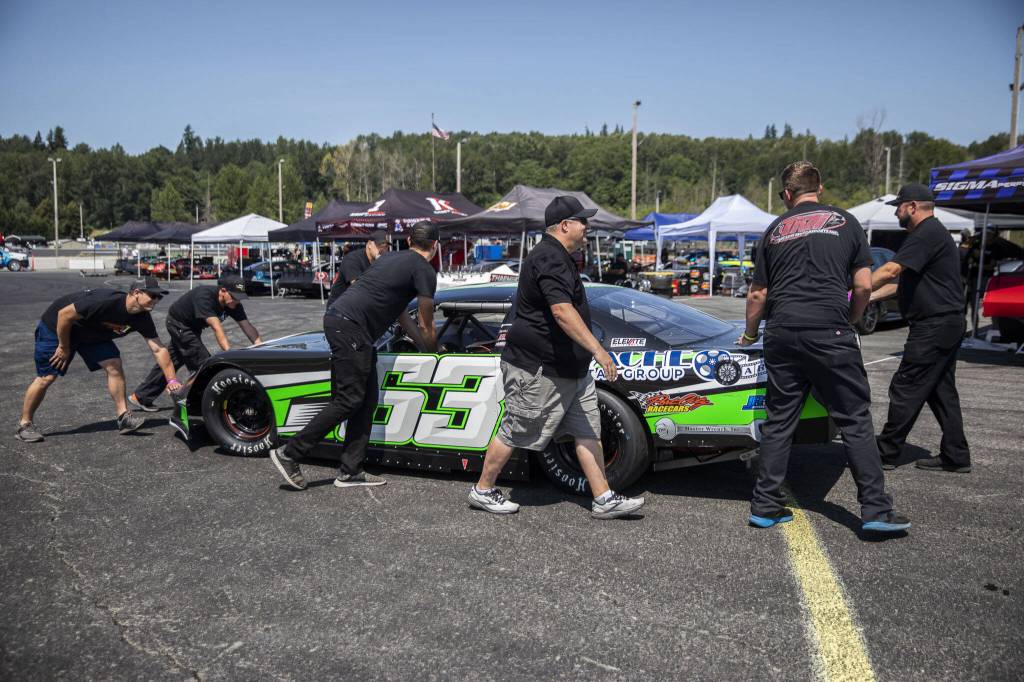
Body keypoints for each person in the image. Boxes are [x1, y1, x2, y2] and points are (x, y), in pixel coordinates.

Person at [737, 161, 909, 534]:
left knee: (780, 421)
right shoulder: (845, 222)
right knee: (855, 420)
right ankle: (876, 511)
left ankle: (765, 506)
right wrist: (852, 319)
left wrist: (750, 334)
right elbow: (863, 286)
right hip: (830, 332)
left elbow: (758, 294)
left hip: (781, 333)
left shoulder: (774, 229)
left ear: (786, 194)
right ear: (821, 188)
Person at [468, 196, 645, 519]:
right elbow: (562, 312)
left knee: (588, 430)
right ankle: (482, 489)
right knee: (516, 428)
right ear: (565, 226)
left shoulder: (561, 257)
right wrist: (599, 350)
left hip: (570, 368)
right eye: (583, 222)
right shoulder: (548, 257)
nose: (587, 228)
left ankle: (603, 498)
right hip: (539, 368)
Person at [268, 221, 439, 490]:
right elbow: (426, 323)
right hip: (352, 327)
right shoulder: (424, 271)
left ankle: (350, 470)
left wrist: (421, 346)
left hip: (342, 322)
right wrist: (434, 349)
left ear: (408, 241)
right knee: (349, 398)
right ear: (436, 246)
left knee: (365, 399)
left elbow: (399, 313)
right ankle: (289, 452)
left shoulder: (391, 258)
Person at [870, 184, 971, 473]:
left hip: (934, 326)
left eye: (899, 207)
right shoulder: (932, 234)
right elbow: (902, 283)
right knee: (941, 391)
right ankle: (956, 455)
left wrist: (854, 288)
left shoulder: (926, 233)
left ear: (912, 206)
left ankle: (886, 451)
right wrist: (868, 297)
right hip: (946, 323)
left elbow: (890, 271)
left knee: (906, 386)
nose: (897, 213)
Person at [16, 277, 180, 442]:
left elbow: (158, 348)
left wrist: (172, 380)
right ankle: (25, 424)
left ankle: (124, 418)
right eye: (153, 296)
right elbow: (64, 315)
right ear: (136, 293)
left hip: (90, 332)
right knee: (47, 377)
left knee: (114, 364)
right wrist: (64, 347)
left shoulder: (142, 317)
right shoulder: (105, 301)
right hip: (58, 327)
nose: (157, 300)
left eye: (160, 297)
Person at [129, 276, 262, 410]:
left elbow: (247, 326)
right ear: (223, 291)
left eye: (240, 297)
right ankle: (188, 400)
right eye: (234, 296)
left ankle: (140, 397)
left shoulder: (234, 304)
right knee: (203, 363)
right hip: (179, 324)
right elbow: (217, 328)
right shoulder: (205, 296)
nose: (237, 301)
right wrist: (229, 354)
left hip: (193, 327)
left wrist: (261, 347)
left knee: (172, 361)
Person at [326, 230, 390, 307]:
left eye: (386, 246)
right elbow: (359, 287)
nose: (383, 249)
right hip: (339, 311)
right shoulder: (352, 259)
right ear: (369, 244)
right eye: (380, 245)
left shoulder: (380, 262)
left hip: (359, 308)